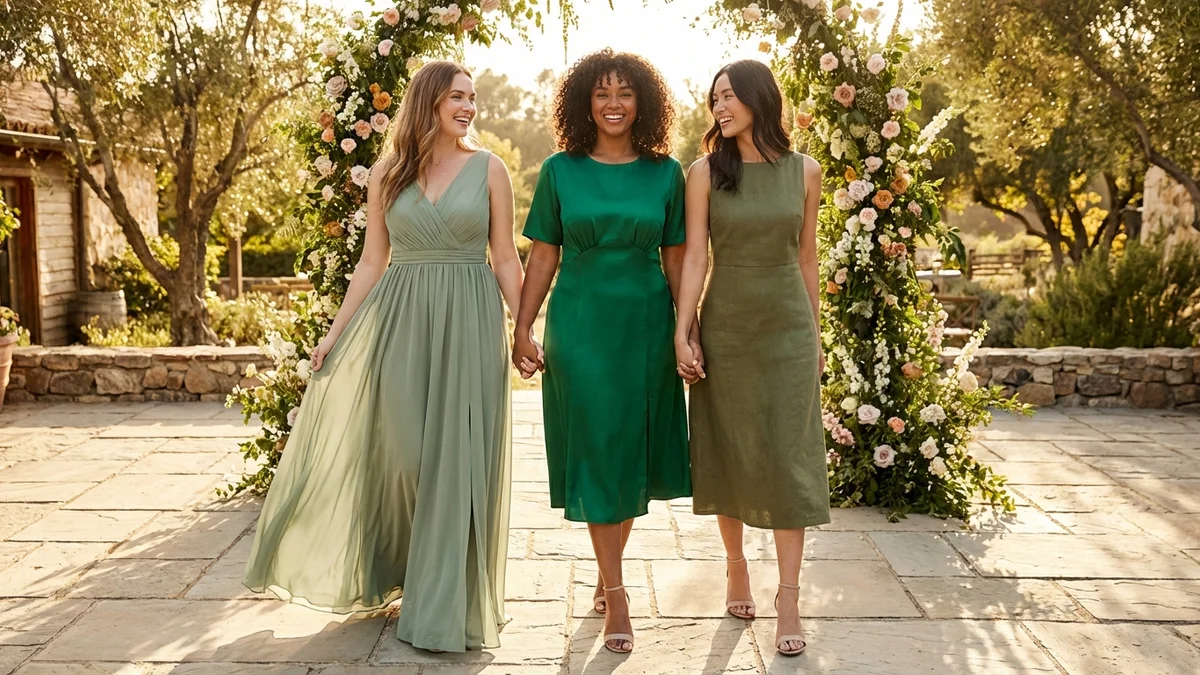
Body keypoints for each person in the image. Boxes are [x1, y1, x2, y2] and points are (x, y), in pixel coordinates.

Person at [243, 61, 535, 653]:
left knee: (457, 460)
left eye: (472, 98)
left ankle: (442, 599)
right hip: (399, 321)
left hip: (470, 320)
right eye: (457, 97)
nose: (468, 107)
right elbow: (372, 261)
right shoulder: (388, 172)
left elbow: (505, 256)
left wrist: (525, 328)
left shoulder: (490, 168)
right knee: (404, 456)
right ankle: (396, 571)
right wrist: (334, 333)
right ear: (429, 101)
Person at [511, 48, 698, 655]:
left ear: (643, 102)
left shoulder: (666, 173)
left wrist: (687, 330)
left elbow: (678, 260)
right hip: (581, 326)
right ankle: (617, 594)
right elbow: (543, 255)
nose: (613, 104)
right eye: (601, 93)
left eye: (624, 93)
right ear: (583, 104)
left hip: (645, 325)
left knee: (629, 451)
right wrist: (522, 327)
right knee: (596, 450)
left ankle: (605, 572)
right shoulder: (559, 171)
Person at [673, 60, 830, 658]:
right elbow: (695, 257)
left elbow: (807, 258)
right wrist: (684, 329)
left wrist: (816, 334)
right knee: (730, 447)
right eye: (714, 98)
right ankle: (736, 566)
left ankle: (788, 597)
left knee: (790, 455)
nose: (719, 107)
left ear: (760, 99)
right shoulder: (704, 172)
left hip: (789, 326)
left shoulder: (806, 171)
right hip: (728, 325)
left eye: (729, 96)